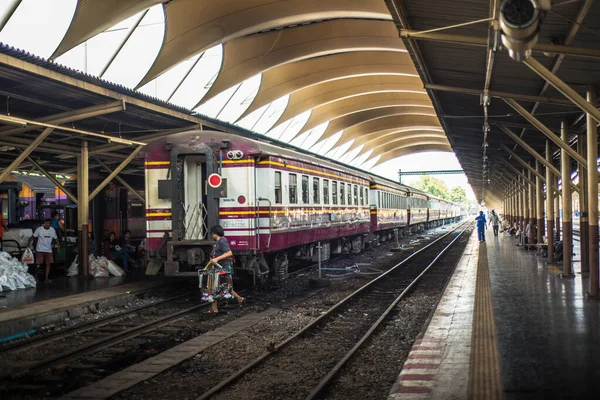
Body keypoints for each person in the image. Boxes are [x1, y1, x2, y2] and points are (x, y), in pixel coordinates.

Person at [207, 225, 245, 313]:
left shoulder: (222, 241)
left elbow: (229, 253)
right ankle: (240, 299)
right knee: (220, 287)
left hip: (222, 268)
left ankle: (214, 308)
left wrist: (216, 259)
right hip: (218, 268)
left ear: (214, 233)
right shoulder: (219, 242)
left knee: (215, 287)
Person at [28, 219, 59, 283]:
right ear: (44, 223)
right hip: (40, 250)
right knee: (38, 265)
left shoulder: (52, 230)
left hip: (48, 250)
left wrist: (58, 246)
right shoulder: (39, 229)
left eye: (49, 224)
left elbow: (56, 238)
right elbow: (33, 237)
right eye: (47, 223)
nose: (48, 225)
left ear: (50, 224)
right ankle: (36, 277)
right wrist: (28, 245)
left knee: (48, 264)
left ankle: (46, 278)